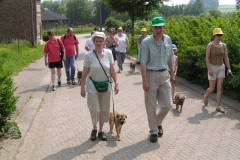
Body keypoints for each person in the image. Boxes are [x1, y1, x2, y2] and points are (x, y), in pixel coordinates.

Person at [139, 17, 174, 143]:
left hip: (165, 74)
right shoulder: (146, 43)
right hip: (151, 75)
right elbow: (142, 63)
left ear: (164, 27)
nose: (158, 29)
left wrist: (173, 73)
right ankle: (154, 130)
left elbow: (170, 57)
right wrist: (144, 81)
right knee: (151, 106)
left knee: (168, 104)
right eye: (156, 27)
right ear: (152, 28)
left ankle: (157, 122)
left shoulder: (168, 39)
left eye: (160, 27)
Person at [80, 32, 119, 141]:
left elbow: (112, 70)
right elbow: (84, 72)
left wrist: (117, 83)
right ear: (93, 42)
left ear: (104, 42)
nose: (98, 43)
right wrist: (82, 87)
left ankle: (101, 130)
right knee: (95, 109)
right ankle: (94, 128)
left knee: (104, 109)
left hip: (106, 86)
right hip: (92, 85)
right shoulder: (89, 55)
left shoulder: (109, 53)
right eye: (96, 41)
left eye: (100, 41)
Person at [204, 28, 232, 113]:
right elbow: (207, 58)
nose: (220, 37)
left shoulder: (224, 45)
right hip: (212, 67)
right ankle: (206, 96)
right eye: (218, 35)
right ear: (214, 36)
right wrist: (209, 68)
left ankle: (218, 106)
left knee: (219, 87)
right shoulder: (210, 45)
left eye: (221, 35)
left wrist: (229, 68)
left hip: (221, 67)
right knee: (212, 88)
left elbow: (226, 57)